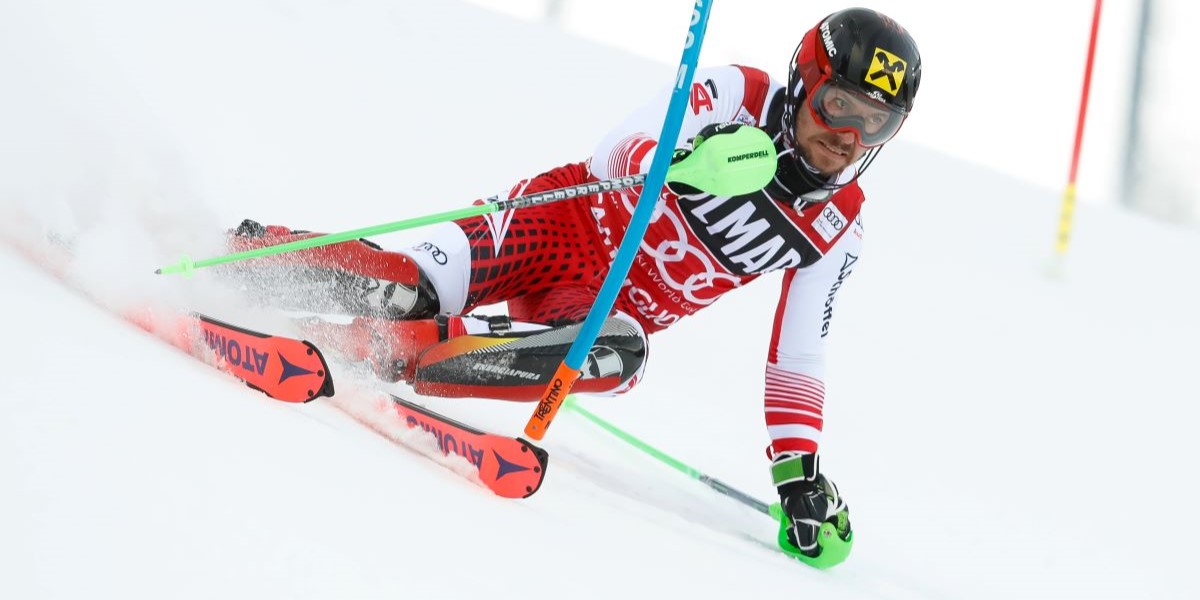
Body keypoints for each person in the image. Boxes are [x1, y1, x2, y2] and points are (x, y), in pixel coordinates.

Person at [225, 7, 921, 561]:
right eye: (838, 106)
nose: (849, 138)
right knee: (409, 285)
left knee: (621, 355)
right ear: (804, 83)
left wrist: (798, 475)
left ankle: (375, 349)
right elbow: (619, 149)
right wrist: (678, 162)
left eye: (876, 123)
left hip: (593, 309)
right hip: (558, 222)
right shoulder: (741, 93)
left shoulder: (837, 227)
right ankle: (241, 259)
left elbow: (796, 357)